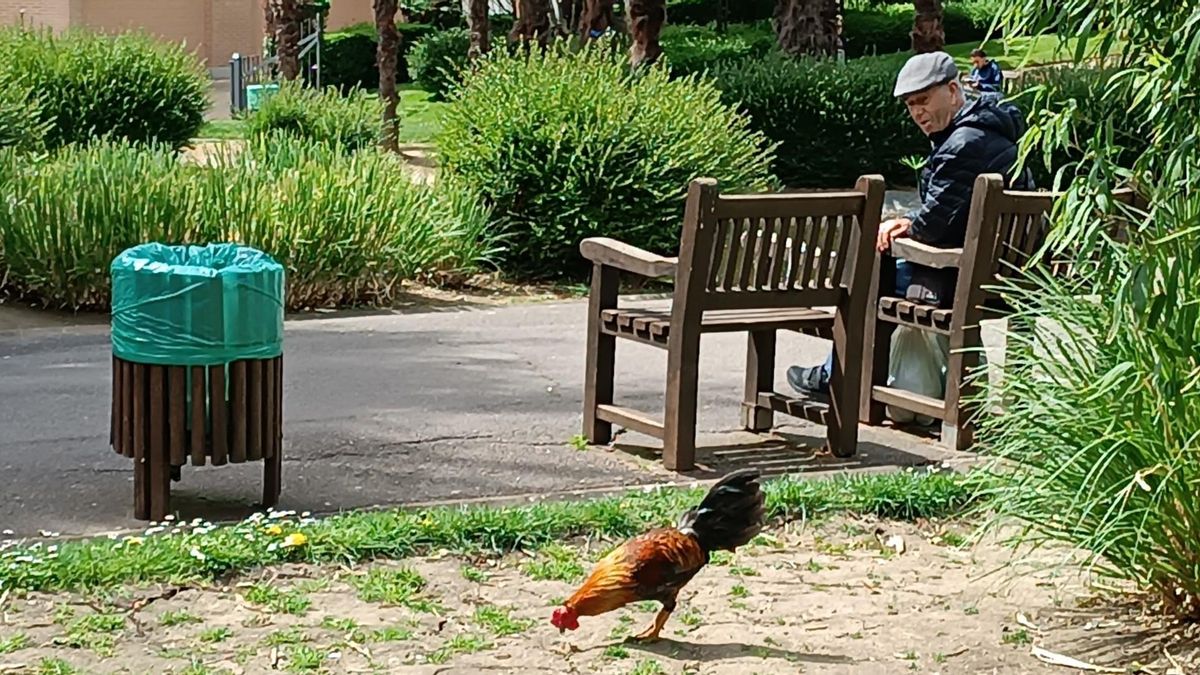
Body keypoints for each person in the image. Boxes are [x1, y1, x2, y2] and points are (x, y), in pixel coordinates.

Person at [787, 51, 1034, 395]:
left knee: (865, 277)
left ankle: (837, 379)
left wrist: (907, 224)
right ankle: (877, 381)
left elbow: (934, 227)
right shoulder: (997, 130)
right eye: (910, 104)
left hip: (965, 276)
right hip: (1004, 272)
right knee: (875, 269)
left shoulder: (962, 144)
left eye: (923, 100)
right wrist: (910, 221)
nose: (917, 112)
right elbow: (951, 213)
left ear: (952, 89)